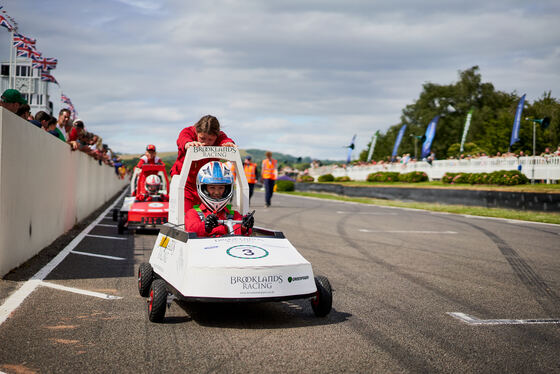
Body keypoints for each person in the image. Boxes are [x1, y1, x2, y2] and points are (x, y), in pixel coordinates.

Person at [170, 115, 236, 215]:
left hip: (207, 186)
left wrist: (229, 143)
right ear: (196, 131)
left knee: (210, 215)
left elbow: (225, 140)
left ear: (216, 136)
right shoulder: (187, 132)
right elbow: (183, 139)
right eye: (202, 138)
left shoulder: (220, 136)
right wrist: (188, 143)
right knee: (186, 215)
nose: (206, 143)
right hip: (185, 183)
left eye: (210, 140)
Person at [185, 161, 253, 237]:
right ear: (203, 188)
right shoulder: (193, 214)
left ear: (227, 189)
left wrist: (245, 226)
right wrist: (206, 226)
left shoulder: (234, 215)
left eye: (221, 188)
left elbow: (242, 234)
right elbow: (191, 231)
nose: (217, 192)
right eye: (212, 187)